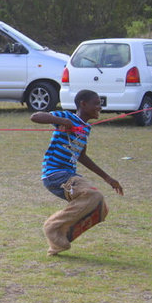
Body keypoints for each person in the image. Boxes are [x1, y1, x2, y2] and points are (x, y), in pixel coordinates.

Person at [30, 89, 124, 256]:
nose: (99, 108)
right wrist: (63, 121)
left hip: (68, 174)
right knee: (93, 196)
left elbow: (82, 156)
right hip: (55, 174)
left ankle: (58, 241)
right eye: (96, 104)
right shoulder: (69, 117)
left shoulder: (85, 128)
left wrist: (108, 178)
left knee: (100, 209)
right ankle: (52, 227)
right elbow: (36, 116)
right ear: (83, 104)